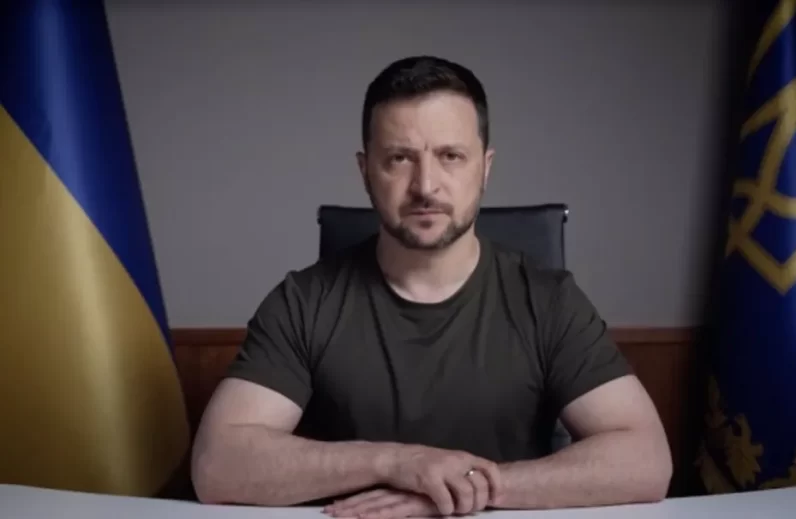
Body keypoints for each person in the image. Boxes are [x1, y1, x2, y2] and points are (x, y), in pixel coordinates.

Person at [190, 55, 672, 517]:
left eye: (451, 156)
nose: (425, 185)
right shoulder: (304, 301)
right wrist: (397, 463)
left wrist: (463, 490)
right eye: (399, 158)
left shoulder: (548, 301)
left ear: (485, 167)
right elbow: (217, 466)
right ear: (365, 171)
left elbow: (647, 459)